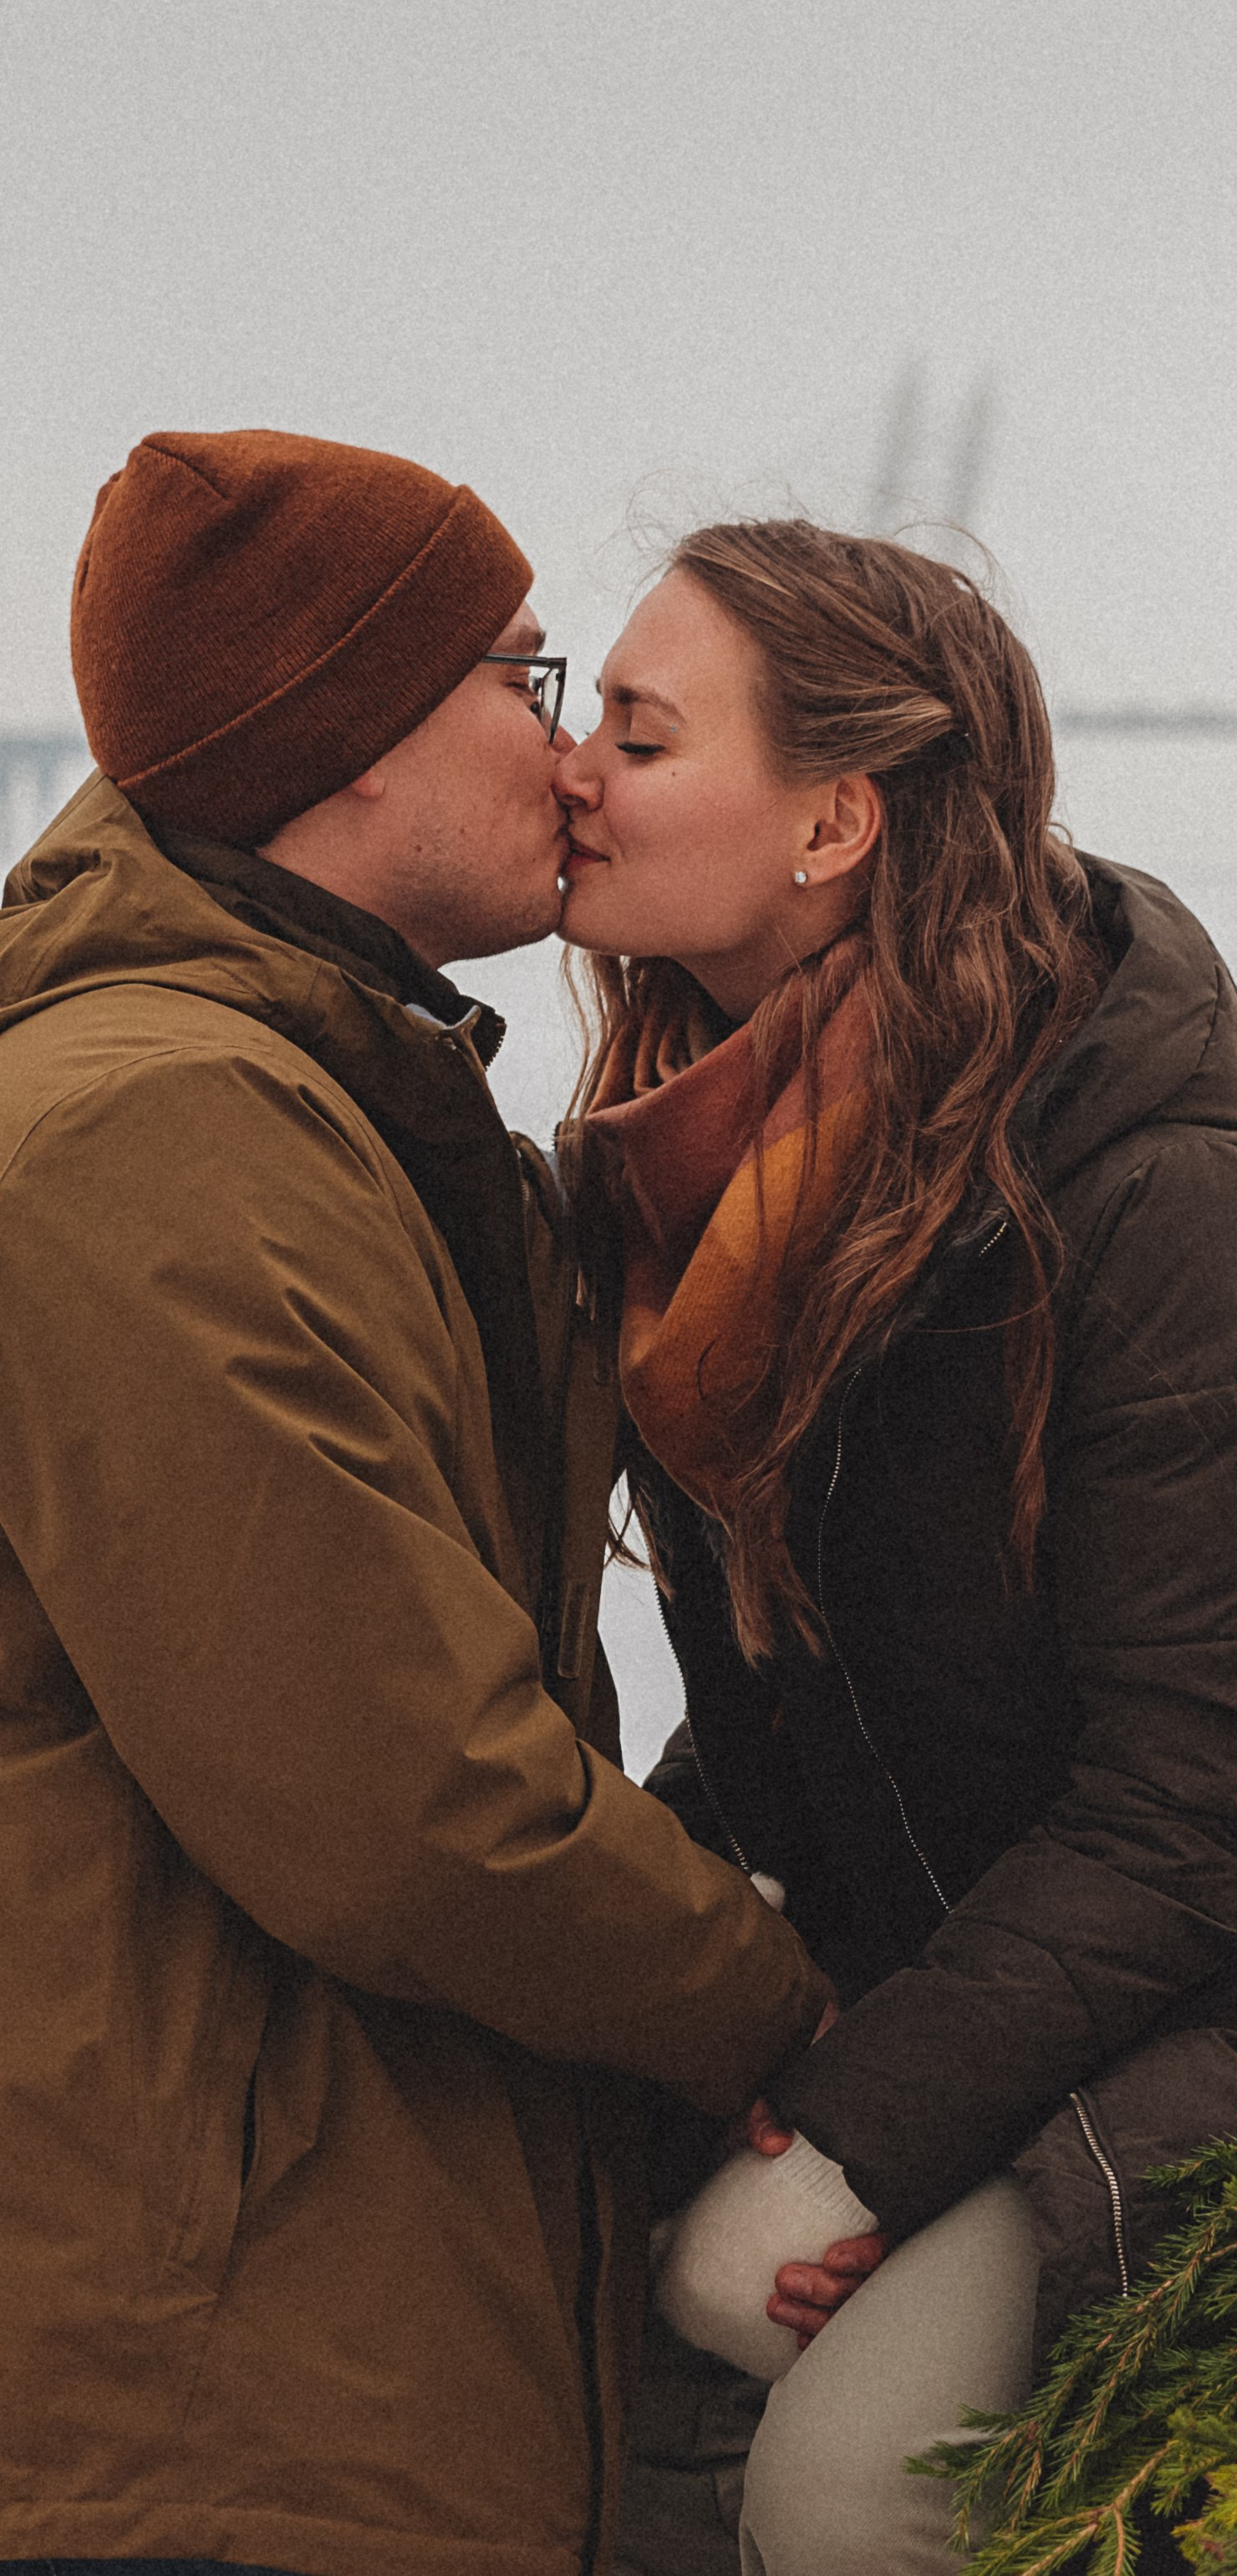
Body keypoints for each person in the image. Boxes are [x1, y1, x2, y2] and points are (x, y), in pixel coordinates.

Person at [551, 520, 1237, 2576]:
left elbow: (1213, 1791)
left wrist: (841, 2144)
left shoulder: (1142, 1186)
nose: (574, 773)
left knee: (855, 2496)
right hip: (987, 1979)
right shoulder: (703, 1186)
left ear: (831, 819)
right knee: (599, 2470)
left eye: (636, 733)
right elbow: (791, 1710)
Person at [0, 433, 830, 2576]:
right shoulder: (156, 1138)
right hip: (201, 2381)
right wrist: (785, 2010)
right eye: (523, 684)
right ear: (347, 743)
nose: (571, 764)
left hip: (309, 2338)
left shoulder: (318, 1099)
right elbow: (397, 1786)